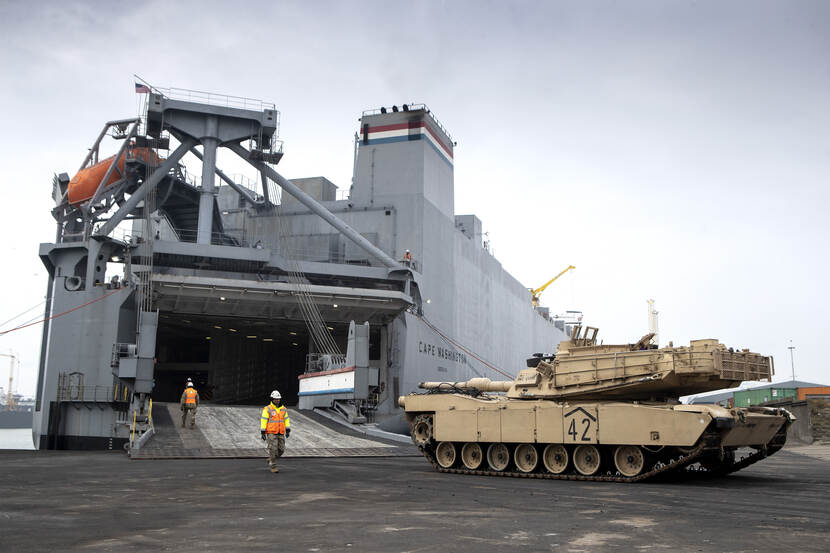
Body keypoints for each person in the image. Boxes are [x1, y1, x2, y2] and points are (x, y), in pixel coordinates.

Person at [260, 390, 291, 473]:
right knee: (273, 449)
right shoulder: (268, 409)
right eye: (275, 399)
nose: (277, 400)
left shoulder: (283, 409)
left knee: (281, 450)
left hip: (281, 432)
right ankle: (273, 466)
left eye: (278, 399)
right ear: (272, 399)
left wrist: (288, 430)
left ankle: (271, 458)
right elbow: (264, 420)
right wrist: (263, 432)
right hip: (271, 432)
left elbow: (286, 420)